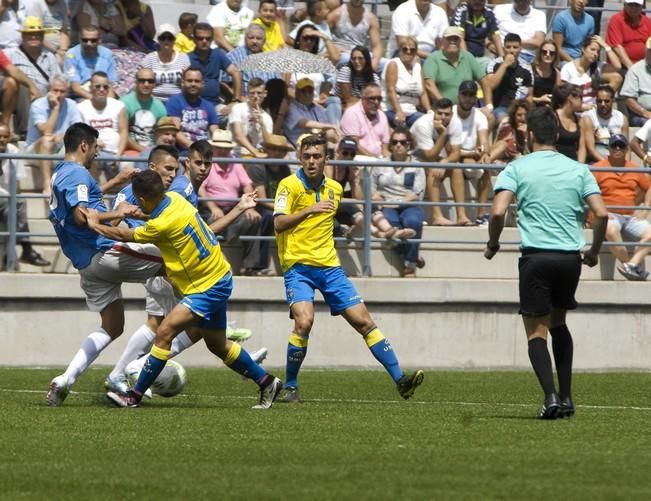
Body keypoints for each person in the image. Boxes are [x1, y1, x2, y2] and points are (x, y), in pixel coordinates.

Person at [86, 169, 283, 409]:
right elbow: (160, 220)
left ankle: (133, 396)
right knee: (217, 345)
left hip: (206, 286)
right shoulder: (177, 200)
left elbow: (125, 234)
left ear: (142, 199)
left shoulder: (160, 226)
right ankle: (267, 382)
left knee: (164, 332)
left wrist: (95, 224)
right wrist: (142, 214)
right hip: (219, 275)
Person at [273, 133, 425, 402]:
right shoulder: (288, 186)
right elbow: (279, 223)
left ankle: (400, 379)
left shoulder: (333, 187)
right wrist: (309, 210)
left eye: (317, 156)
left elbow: (336, 218)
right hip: (298, 268)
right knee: (304, 322)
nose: (311, 161)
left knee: (364, 322)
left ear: (326, 159)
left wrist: (344, 227)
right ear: (300, 158)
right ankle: (291, 386)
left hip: (330, 268)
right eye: (306, 156)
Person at [484, 105, 608, 419]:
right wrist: (593, 251)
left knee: (535, 331)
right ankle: (566, 398)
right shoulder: (579, 169)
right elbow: (602, 213)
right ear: (555, 135)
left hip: (536, 258)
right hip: (570, 259)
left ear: (530, 135)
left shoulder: (517, 168)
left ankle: (550, 397)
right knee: (559, 323)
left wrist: (494, 242)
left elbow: (498, 212)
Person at [45, 122, 160, 407]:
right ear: (84, 145)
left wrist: (114, 184)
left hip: (87, 266)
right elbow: (84, 216)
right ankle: (206, 321)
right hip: (104, 253)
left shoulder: (61, 174)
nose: (97, 153)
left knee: (112, 326)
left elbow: (83, 202)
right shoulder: (77, 173)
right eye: (95, 147)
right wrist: (119, 212)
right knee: (174, 260)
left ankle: (65, 379)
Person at [199, 129, 262, 276]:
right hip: (210, 208)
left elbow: (247, 185)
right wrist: (213, 206)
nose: (222, 151)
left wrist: (249, 207)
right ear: (213, 148)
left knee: (255, 218)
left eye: (225, 148)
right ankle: (225, 241)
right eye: (219, 148)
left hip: (234, 208)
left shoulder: (235, 163)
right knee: (213, 217)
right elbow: (201, 188)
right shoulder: (208, 164)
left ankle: (250, 266)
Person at [592, 134, 651, 281]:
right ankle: (632, 267)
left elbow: (649, 186)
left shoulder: (634, 168)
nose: (618, 149)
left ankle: (630, 266)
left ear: (626, 149)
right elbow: (589, 192)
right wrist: (602, 211)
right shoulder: (598, 168)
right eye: (614, 146)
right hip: (608, 214)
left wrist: (645, 209)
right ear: (609, 149)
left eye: (621, 146)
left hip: (630, 216)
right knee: (611, 230)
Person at [371, 127, 425, 277]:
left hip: (409, 205)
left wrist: (396, 202)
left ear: (409, 145)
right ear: (390, 145)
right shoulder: (380, 164)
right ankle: (413, 257)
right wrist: (380, 200)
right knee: (391, 227)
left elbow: (417, 193)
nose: (398, 145)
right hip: (386, 205)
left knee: (413, 221)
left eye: (403, 142)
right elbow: (371, 189)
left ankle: (410, 265)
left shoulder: (417, 166)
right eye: (394, 142)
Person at [410, 98, 467, 226]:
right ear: (433, 112)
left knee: (456, 168)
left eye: (447, 114)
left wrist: (445, 161)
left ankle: (462, 216)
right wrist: (443, 134)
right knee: (433, 170)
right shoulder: (422, 124)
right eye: (439, 113)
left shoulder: (455, 122)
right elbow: (430, 156)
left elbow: (456, 153)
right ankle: (437, 216)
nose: (443, 117)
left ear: (452, 114)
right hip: (414, 158)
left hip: (436, 158)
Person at [0, 123, 50, 268]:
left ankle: (11, 251)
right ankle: (26, 249)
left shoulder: (14, 152)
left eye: (5, 136)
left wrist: (14, 202)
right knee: (16, 203)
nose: (2, 139)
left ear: (9, 138)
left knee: (17, 204)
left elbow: (17, 185)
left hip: (6, 200)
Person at [6, 16, 61, 136]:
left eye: (38, 34)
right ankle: (26, 130)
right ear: (23, 36)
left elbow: (57, 80)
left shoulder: (49, 56)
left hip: (45, 98)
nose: (34, 37)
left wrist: (51, 95)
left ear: (42, 36)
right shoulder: (10, 54)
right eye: (30, 34)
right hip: (21, 99)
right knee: (22, 87)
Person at [25, 74, 81, 193]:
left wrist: (61, 136)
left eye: (62, 91)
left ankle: (77, 189)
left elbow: (78, 129)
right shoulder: (37, 105)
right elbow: (46, 132)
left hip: (59, 147)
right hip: (35, 152)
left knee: (81, 145)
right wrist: (56, 108)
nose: (59, 95)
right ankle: (47, 185)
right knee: (47, 140)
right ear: (49, 90)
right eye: (55, 90)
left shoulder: (71, 105)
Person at [248, 134, 293, 273]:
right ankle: (259, 266)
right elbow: (262, 198)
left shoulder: (285, 168)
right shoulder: (257, 166)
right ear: (266, 150)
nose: (277, 153)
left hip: (279, 206)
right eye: (274, 149)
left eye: (280, 150)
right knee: (267, 217)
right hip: (259, 207)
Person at [422, 26, 492, 109]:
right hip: (443, 110)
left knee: (490, 117)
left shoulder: (468, 56)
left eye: (456, 39)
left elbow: (484, 81)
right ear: (442, 41)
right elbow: (429, 84)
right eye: (449, 39)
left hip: (468, 109)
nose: (452, 41)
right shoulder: (433, 58)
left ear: (460, 41)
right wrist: (445, 105)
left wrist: (489, 105)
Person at [78, 71, 128, 182]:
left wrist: (119, 155)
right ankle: (93, 193)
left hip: (115, 152)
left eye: (105, 87)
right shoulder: (81, 108)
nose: (101, 89)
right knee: (93, 157)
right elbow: (80, 134)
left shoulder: (118, 106)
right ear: (90, 88)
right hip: (94, 153)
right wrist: (94, 142)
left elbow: (124, 132)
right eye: (97, 86)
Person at [188, 22, 242, 121]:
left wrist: (236, 100)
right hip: (192, 106)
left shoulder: (218, 54)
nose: (204, 41)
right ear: (194, 39)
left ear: (212, 39)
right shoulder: (187, 58)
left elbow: (236, 72)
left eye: (208, 38)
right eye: (200, 38)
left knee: (236, 114)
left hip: (215, 105)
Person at [560, 36, 622, 110]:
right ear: (583, 49)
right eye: (592, 49)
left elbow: (618, 67)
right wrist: (581, 108)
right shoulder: (568, 68)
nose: (595, 53)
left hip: (594, 109)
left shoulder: (598, 66)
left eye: (598, 52)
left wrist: (606, 46)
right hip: (576, 109)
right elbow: (562, 94)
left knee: (617, 77)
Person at [165, 67, 220, 150]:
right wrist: (195, 148)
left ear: (203, 84)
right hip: (182, 152)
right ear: (183, 83)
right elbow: (175, 132)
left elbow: (216, 133)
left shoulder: (208, 106)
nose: (193, 84)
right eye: (189, 81)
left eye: (197, 81)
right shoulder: (174, 102)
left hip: (205, 149)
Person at [382, 36, 431, 128]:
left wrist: (429, 110)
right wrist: (399, 111)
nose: (408, 52)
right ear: (400, 50)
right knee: (402, 126)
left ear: (416, 52)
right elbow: (390, 90)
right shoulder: (393, 64)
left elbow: (423, 93)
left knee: (428, 123)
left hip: (411, 112)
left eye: (412, 50)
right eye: (405, 49)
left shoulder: (417, 67)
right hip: (392, 110)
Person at [486, 33, 534, 123]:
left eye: (515, 47)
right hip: (500, 108)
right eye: (508, 47)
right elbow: (490, 86)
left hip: (519, 109)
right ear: (504, 48)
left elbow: (529, 96)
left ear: (520, 49)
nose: (511, 51)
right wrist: (505, 65)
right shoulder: (494, 64)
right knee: (505, 120)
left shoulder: (526, 68)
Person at [139, 24, 191, 103]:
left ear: (174, 40)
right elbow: (141, 81)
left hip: (178, 101)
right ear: (158, 40)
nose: (166, 41)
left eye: (170, 38)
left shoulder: (183, 58)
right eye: (163, 38)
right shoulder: (149, 59)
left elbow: (188, 82)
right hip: (154, 101)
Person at [120, 68, 167, 154]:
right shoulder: (124, 103)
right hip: (130, 150)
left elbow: (162, 134)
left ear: (154, 84)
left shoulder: (160, 106)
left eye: (150, 81)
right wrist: (144, 150)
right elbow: (122, 135)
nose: (146, 84)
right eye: (142, 81)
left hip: (153, 151)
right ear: (136, 82)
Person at [282, 77, 340, 147]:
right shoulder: (291, 108)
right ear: (296, 92)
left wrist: (334, 135)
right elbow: (305, 123)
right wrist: (331, 126)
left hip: (315, 147)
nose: (307, 94)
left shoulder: (318, 109)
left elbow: (326, 130)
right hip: (295, 148)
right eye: (303, 91)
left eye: (310, 91)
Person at [64, 25, 117, 101]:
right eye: (85, 40)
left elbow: (110, 84)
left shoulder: (107, 54)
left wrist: (110, 102)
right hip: (80, 95)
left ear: (100, 40)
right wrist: (97, 100)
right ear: (79, 39)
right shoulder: (71, 55)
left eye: (93, 40)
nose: (89, 43)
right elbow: (76, 88)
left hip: (103, 91)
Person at [327, 0, 384, 71]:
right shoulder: (336, 14)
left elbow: (377, 46)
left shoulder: (371, 18)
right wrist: (332, 49)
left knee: (386, 63)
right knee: (346, 58)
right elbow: (324, 36)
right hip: (341, 54)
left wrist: (375, 61)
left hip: (360, 53)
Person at [340, 82, 390, 159]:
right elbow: (354, 145)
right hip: (357, 158)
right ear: (363, 99)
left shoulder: (382, 115)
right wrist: (374, 160)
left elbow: (385, 146)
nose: (376, 102)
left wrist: (387, 159)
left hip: (378, 160)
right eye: (372, 98)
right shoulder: (352, 113)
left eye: (379, 99)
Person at [581, 84, 628, 163]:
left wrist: (626, 165)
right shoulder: (588, 117)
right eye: (599, 101)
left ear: (613, 100)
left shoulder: (621, 118)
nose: (603, 104)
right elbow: (590, 148)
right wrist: (607, 165)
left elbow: (626, 147)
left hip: (617, 156)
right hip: (596, 160)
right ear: (596, 101)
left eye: (606, 101)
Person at [228, 77, 272, 158]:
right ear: (247, 94)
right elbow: (238, 136)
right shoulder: (238, 108)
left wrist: (262, 124)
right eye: (252, 93)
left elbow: (268, 143)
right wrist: (255, 152)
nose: (255, 96)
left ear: (265, 93)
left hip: (254, 155)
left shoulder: (267, 117)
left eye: (259, 93)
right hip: (235, 153)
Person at [493, 0, 546, 65]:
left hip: (527, 56)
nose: (521, 3)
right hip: (502, 53)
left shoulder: (539, 15)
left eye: (525, 1)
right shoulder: (499, 10)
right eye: (518, 0)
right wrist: (501, 56)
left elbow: (538, 42)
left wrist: (508, 44)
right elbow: (494, 33)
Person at [605, 0, 651, 72]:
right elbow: (618, 47)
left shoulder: (647, 22)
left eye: (637, 5)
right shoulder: (616, 19)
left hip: (644, 64)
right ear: (625, 4)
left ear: (642, 6)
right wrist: (632, 68)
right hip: (622, 66)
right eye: (631, 4)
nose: (633, 8)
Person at [334, 45, 380, 110]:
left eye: (360, 58)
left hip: (363, 107)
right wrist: (368, 102)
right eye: (353, 58)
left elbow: (376, 99)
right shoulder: (346, 71)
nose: (356, 61)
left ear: (367, 60)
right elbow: (348, 99)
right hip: (341, 104)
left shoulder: (374, 77)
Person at [620, 39, 651, 127]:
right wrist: (646, 113)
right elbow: (629, 99)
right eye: (650, 51)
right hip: (642, 116)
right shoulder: (635, 70)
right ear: (646, 51)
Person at [553, 83, 587, 163]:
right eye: (580, 97)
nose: (582, 101)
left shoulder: (579, 120)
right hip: (557, 162)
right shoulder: (553, 118)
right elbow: (550, 145)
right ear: (570, 98)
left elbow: (582, 147)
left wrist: (579, 165)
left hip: (574, 163)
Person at [531, 39, 560, 107]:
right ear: (540, 53)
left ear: (555, 55)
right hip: (532, 105)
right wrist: (539, 99)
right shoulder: (531, 69)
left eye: (551, 53)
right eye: (544, 52)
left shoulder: (557, 73)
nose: (548, 55)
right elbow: (524, 96)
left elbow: (557, 96)